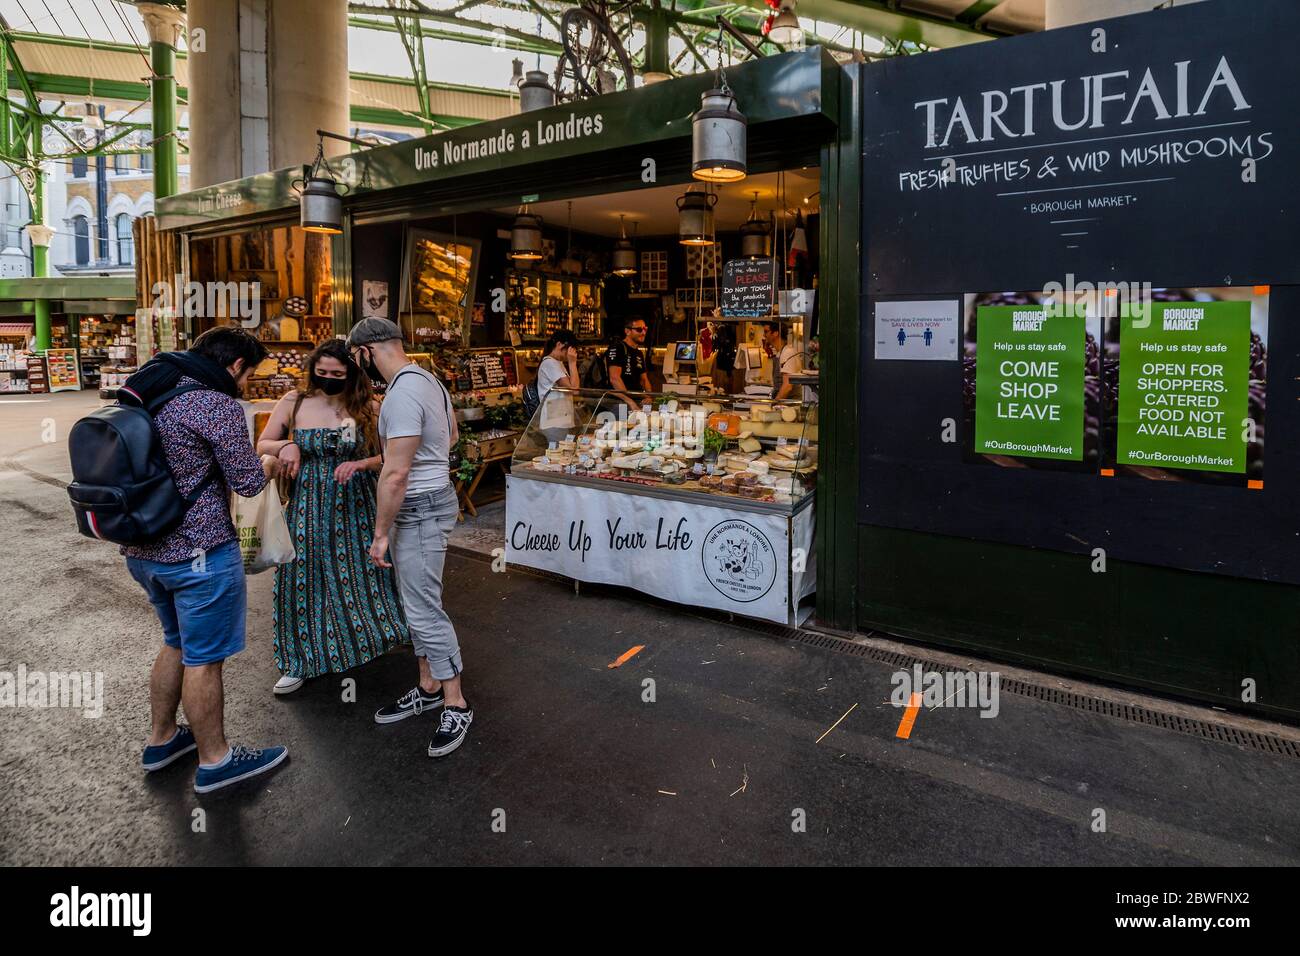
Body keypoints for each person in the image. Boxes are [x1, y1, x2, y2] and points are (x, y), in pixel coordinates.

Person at [123, 326, 288, 794]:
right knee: (204, 659)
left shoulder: (150, 388)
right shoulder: (216, 405)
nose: (245, 385)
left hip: (142, 552)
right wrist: (270, 464)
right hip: (199, 556)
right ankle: (216, 762)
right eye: (248, 375)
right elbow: (249, 481)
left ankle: (161, 741)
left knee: (175, 642)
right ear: (235, 366)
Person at [346, 318, 474, 758]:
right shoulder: (429, 381)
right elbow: (452, 436)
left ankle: (455, 700)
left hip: (418, 507)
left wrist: (380, 534)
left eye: (356, 358)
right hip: (435, 497)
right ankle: (429, 684)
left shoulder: (400, 393)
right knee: (416, 601)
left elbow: (396, 472)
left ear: (367, 351)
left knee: (422, 608)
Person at [255, 339, 409, 696]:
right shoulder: (293, 402)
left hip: (356, 504)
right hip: (307, 504)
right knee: (300, 579)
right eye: (321, 373)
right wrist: (285, 445)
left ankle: (373, 637)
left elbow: (392, 457)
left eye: (337, 374)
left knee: (360, 574)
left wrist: (361, 463)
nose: (328, 380)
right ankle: (298, 660)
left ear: (352, 374)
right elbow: (263, 444)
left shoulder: (369, 406)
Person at [606, 316, 651, 409]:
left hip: (636, 400)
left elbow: (644, 379)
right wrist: (629, 402)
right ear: (627, 331)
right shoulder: (617, 347)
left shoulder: (639, 353)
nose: (643, 333)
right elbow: (614, 378)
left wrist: (648, 397)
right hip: (619, 402)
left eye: (645, 329)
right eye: (639, 329)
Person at [762, 321, 803, 401]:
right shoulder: (780, 353)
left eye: (766, 332)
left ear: (776, 333)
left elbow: (787, 386)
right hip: (784, 404)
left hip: (790, 406)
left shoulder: (788, 352)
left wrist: (774, 403)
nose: (764, 335)